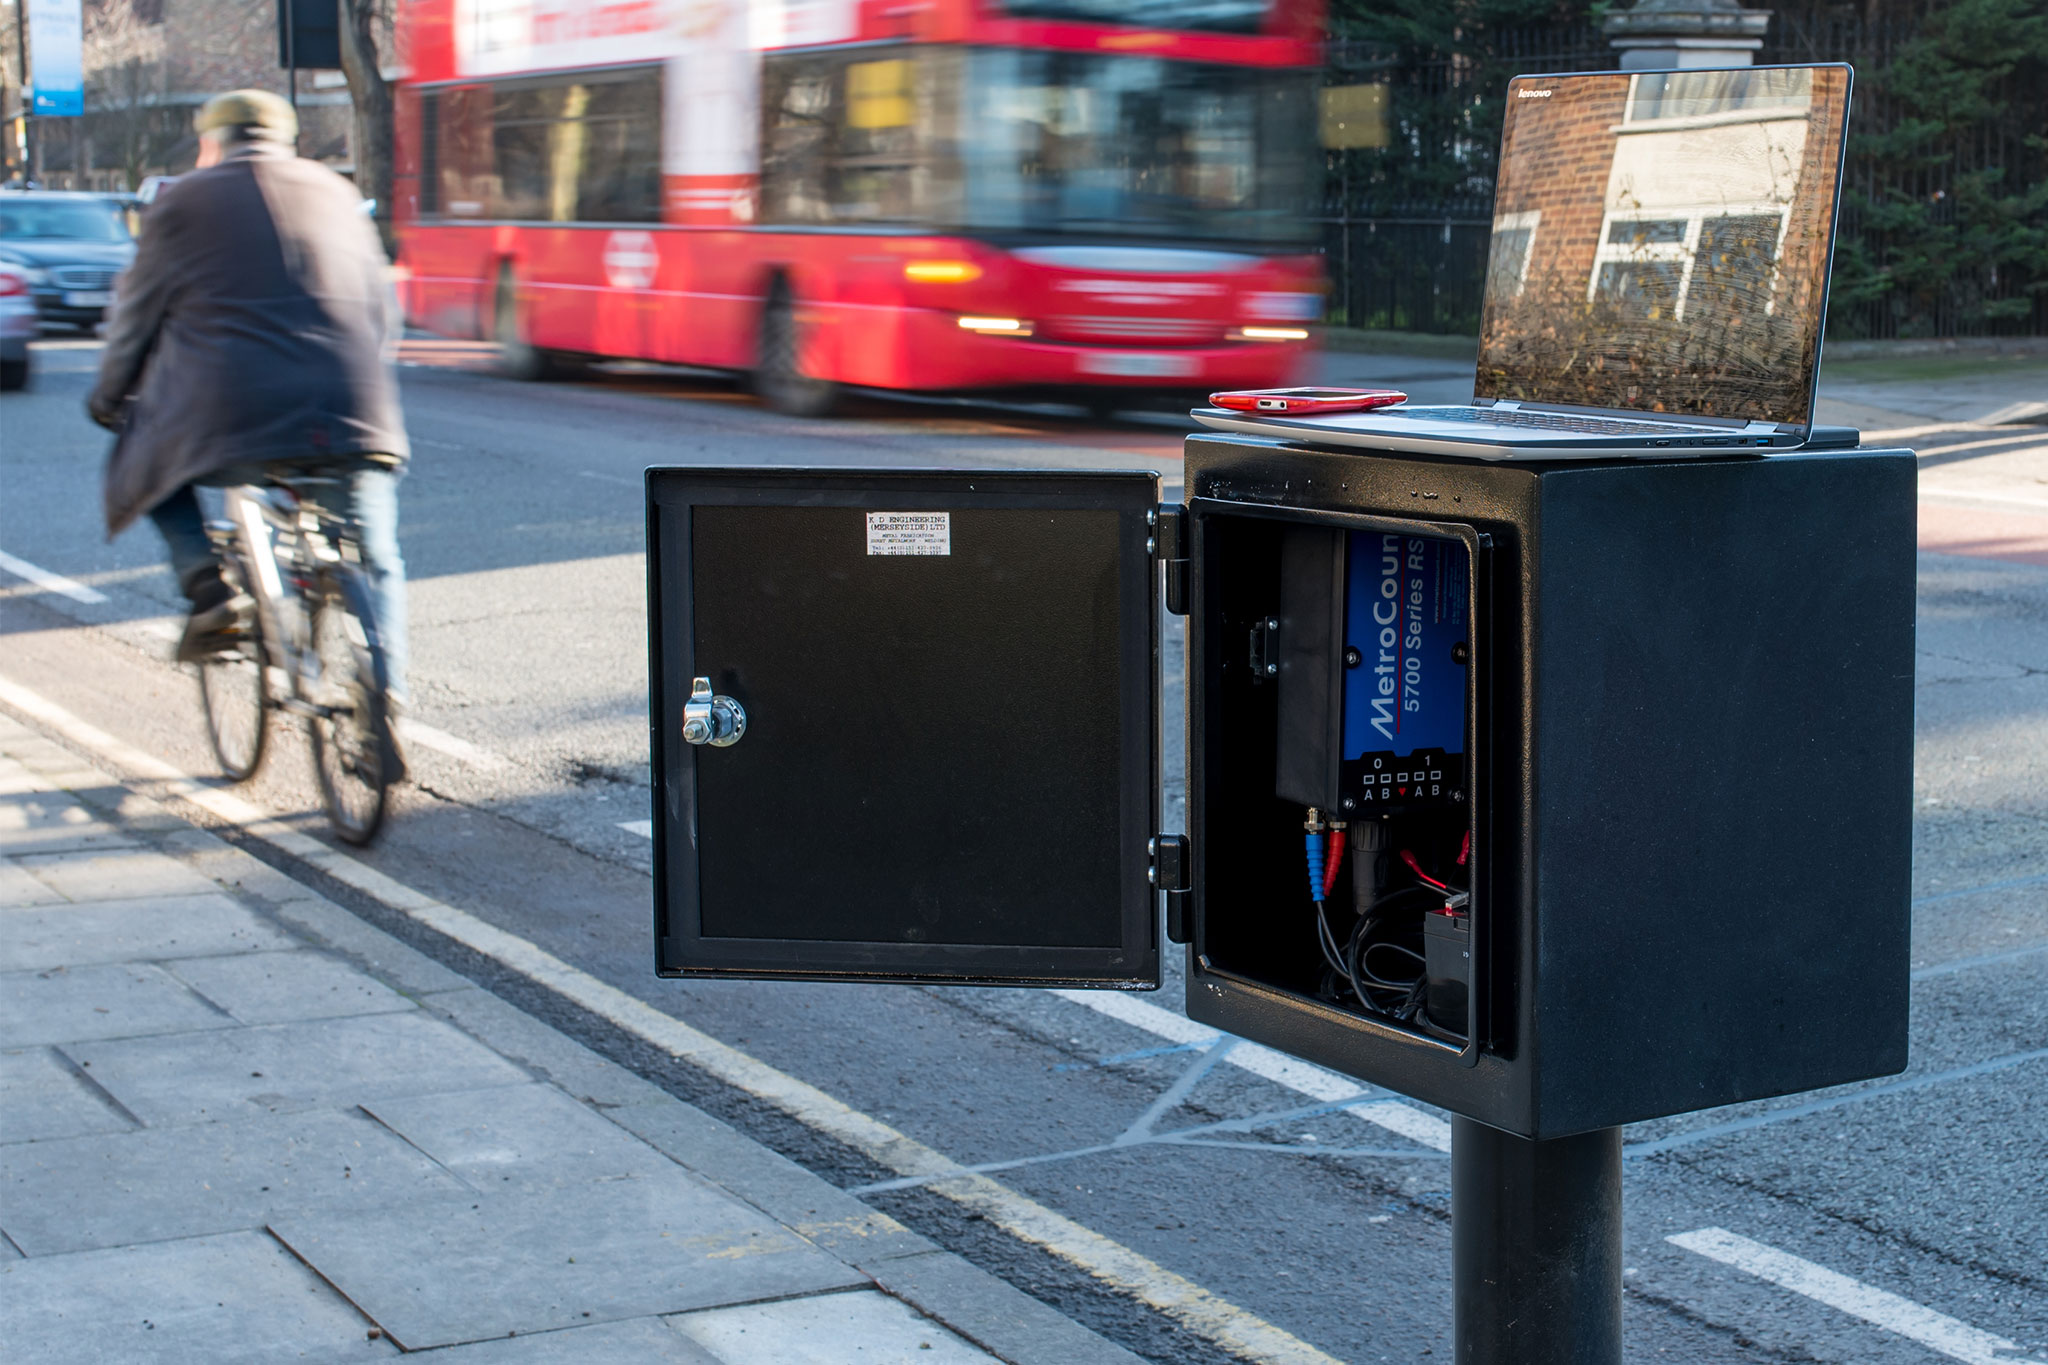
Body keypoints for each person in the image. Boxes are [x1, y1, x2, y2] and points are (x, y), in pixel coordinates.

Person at [88, 88, 411, 714]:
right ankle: (385, 692)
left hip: (230, 415)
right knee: (375, 553)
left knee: (151, 470)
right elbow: (382, 312)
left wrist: (110, 397)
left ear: (212, 142)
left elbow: (136, 315)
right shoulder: (336, 193)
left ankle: (209, 589)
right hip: (352, 410)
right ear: (289, 140)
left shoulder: (183, 198)